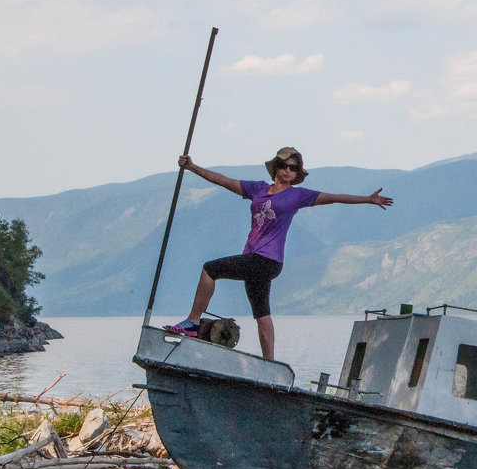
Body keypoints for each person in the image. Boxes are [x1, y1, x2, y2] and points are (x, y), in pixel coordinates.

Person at [166, 146, 392, 360]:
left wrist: (367, 199)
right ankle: (269, 365)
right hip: (255, 259)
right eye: (284, 165)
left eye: (293, 168)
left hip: (267, 260)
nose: (288, 170)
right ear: (276, 167)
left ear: (297, 174)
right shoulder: (257, 189)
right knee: (262, 314)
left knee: (210, 269)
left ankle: (193, 323)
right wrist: (193, 167)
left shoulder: (298, 195)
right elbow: (224, 181)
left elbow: (335, 197)